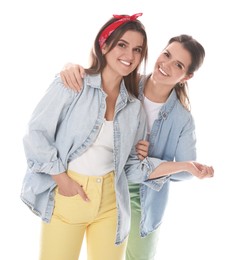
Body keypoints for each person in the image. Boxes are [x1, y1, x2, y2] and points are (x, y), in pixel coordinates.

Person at [59, 34, 214, 260]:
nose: (166, 65)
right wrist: (69, 67)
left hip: (145, 198)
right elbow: (94, 82)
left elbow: (186, 171)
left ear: (186, 77)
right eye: (167, 55)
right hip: (105, 181)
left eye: (178, 65)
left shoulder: (182, 119)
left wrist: (150, 162)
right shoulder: (126, 83)